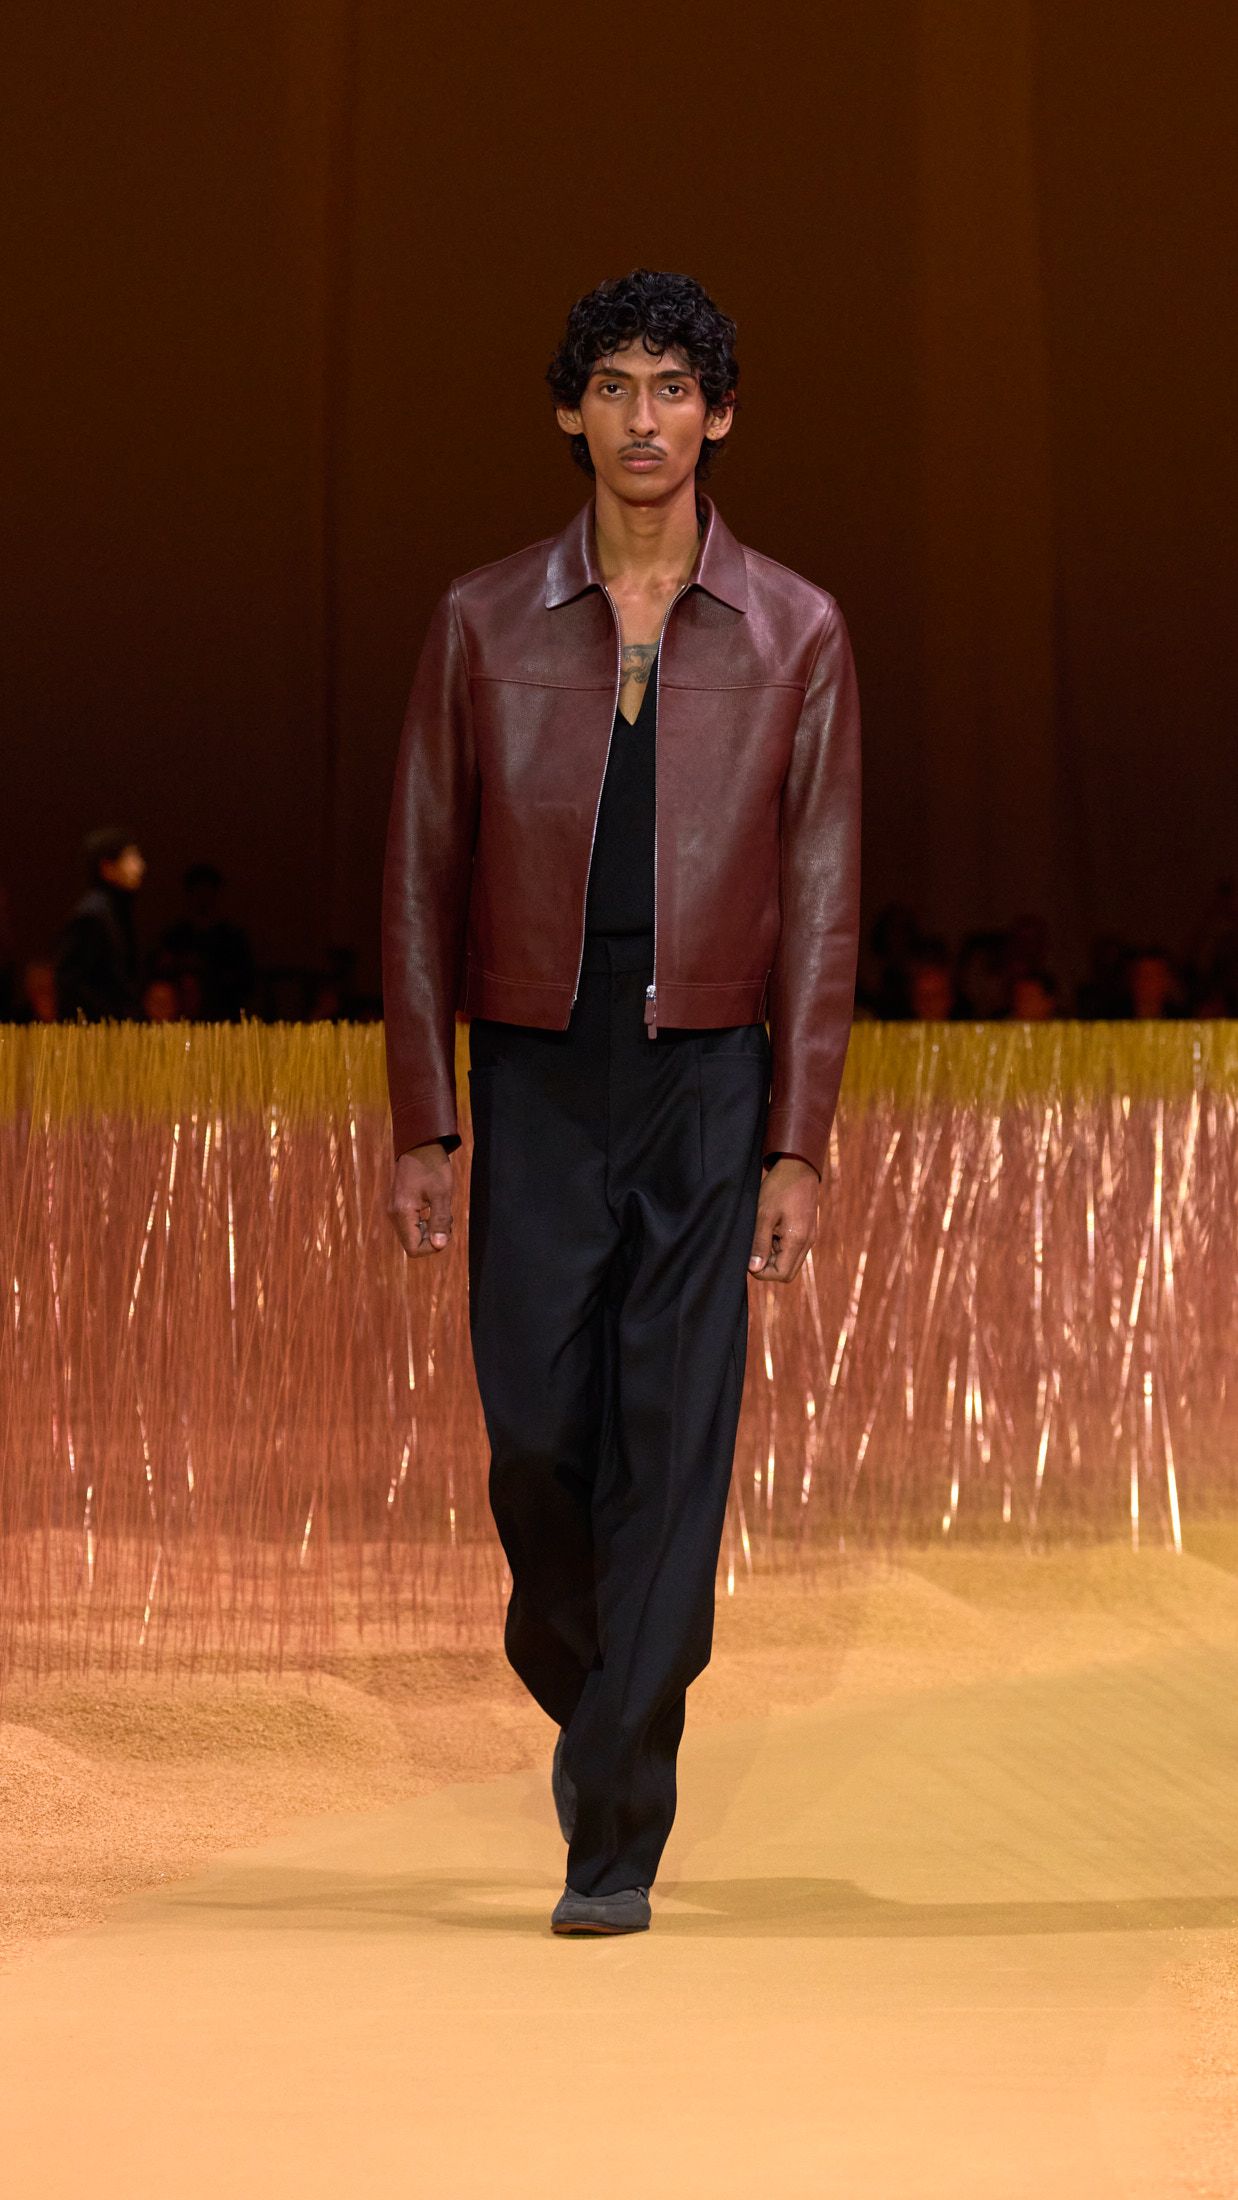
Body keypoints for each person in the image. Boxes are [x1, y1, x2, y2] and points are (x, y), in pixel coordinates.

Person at [381, 269, 862, 1936]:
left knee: (672, 1437)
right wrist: (422, 1113)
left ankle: (614, 1826)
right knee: (534, 1435)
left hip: (709, 1075)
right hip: (531, 1066)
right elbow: (418, 874)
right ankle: (600, 1686)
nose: (641, 417)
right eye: (612, 386)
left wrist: (796, 1136)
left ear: (717, 416)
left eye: (672, 387)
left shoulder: (794, 630)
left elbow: (822, 899)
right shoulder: (482, 620)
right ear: (567, 411)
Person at [54, 826, 147, 1022]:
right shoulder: (93, 916)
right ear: (107, 867)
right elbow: (72, 983)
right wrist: (112, 1017)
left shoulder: (111, 910)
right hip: (101, 1029)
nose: (140, 866)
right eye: (131, 858)